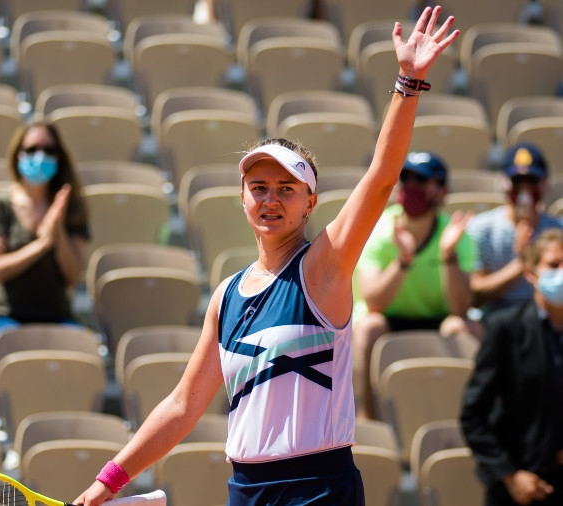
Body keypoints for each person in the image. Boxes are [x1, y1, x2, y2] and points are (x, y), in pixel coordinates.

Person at [75, 6, 459, 506]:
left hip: (318, 489)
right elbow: (183, 404)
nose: (271, 198)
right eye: (258, 187)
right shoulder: (227, 296)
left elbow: (382, 177)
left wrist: (407, 82)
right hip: (246, 490)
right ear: (242, 198)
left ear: (310, 202)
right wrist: (109, 480)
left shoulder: (325, 267)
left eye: (286, 188)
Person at [351, 151, 481, 419]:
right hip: (388, 318)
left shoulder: (456, 236)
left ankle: (472, 417)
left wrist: (448, 256)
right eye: (405, 178)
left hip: (438, 318)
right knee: (367, 327)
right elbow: (373, 301)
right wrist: (404, 260)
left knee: (465, 328)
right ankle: (368, 419)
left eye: (420, 180)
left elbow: (461, 308)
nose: (410, 187)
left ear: (440, 191)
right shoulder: (380, 228)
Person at [461, 228, 563, 506]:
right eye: (554, 265)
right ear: (532, 273)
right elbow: (473, 416)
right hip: (518, 489)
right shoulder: (506, 328)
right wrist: (510, 475)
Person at [0, 121, 90, 348]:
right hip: (2, 317)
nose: (40, 156)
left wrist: (58, 230)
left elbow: (73, 276)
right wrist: (42, 245)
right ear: (18, 155)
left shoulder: (71, 207)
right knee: (18, 342)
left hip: (56, 317)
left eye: (49, 150)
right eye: (32, 149)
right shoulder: (0, 205)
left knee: (82, 345)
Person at [467, 143, 563, 315]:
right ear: (503, 182)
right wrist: (520, 264)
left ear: (544, 183)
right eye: (517, 181)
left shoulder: (558, 229)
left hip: (545, 317)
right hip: (494, 317)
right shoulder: (481, 227)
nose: (524, 189)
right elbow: (475, 295)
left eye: (532, 181)